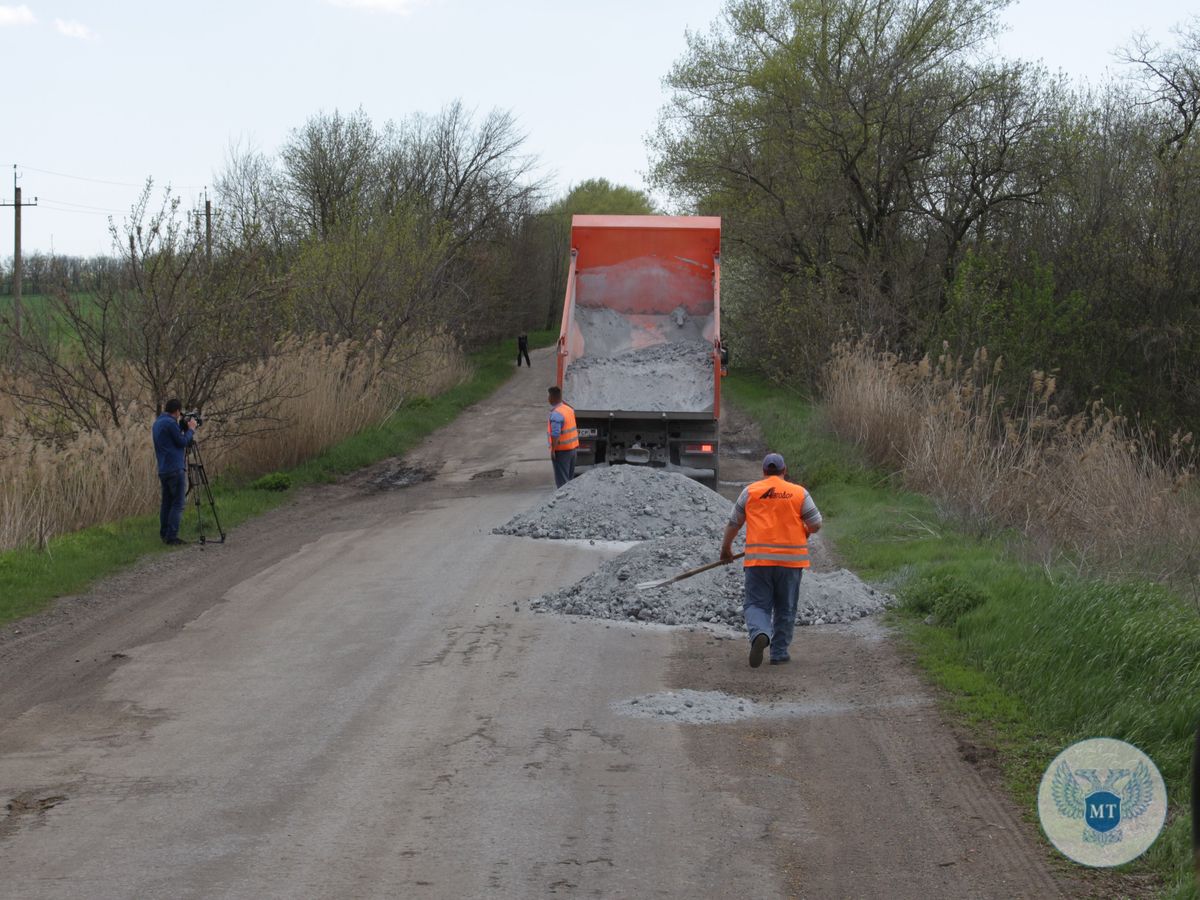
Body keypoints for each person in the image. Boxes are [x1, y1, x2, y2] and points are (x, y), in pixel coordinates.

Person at [720, 452, 822, 668]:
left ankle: (760, 633)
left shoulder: (751, 492)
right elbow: (816, 523)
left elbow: (734, 522)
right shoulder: (799, 493)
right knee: (786, 607)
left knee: (756, 604)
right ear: (784, 471)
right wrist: (805, 529)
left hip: (758, 562)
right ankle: (779, 652)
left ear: (764, 472)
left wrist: (726, 548)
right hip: (791, 563)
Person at [153, 399, 197, 545]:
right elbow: (182, 442)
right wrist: (191, 429)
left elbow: (173, 440)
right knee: (178, 503)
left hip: (164, 469)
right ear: (177, 411)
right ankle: (172, 537)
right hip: (175, 469)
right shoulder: (171, 423)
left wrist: (182, 428)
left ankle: (164, 534)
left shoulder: (158, 423)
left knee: (166, 503)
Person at [547, 385, 578, 488]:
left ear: (552, 398)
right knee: (569, 481)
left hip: (562, 452)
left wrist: (553, 450)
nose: (548, 399)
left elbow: (555, 433)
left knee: (563, 484)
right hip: (572, 450)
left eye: (549, 396)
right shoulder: (569, 410)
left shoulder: (556, 414)